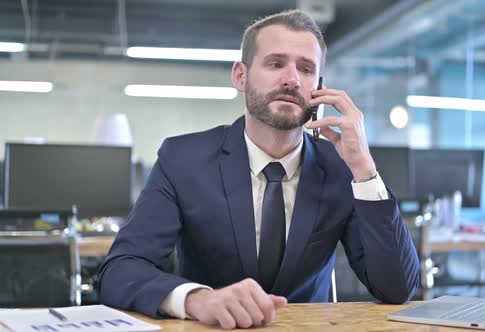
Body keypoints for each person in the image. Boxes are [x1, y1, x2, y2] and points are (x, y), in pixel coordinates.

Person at [98, 9, 419, 330]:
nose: (292, 79)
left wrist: (364, 169)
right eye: (276, 63)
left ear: (318, 88)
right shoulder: (183, 159)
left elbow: (397, 289)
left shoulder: (340, 168)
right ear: (241, 75)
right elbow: (121, 270)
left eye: (306, 69)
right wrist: (198, 299)